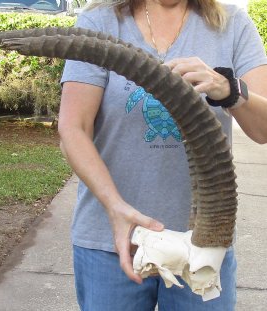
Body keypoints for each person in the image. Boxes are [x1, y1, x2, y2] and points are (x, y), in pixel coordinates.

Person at [58, 0, 267, 310]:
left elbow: (262, 130)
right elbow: (73, 128)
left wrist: (228, 88)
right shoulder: (100, 20)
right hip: (111, 242)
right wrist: (115, 208)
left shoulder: (231, 24)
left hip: (204, 244)